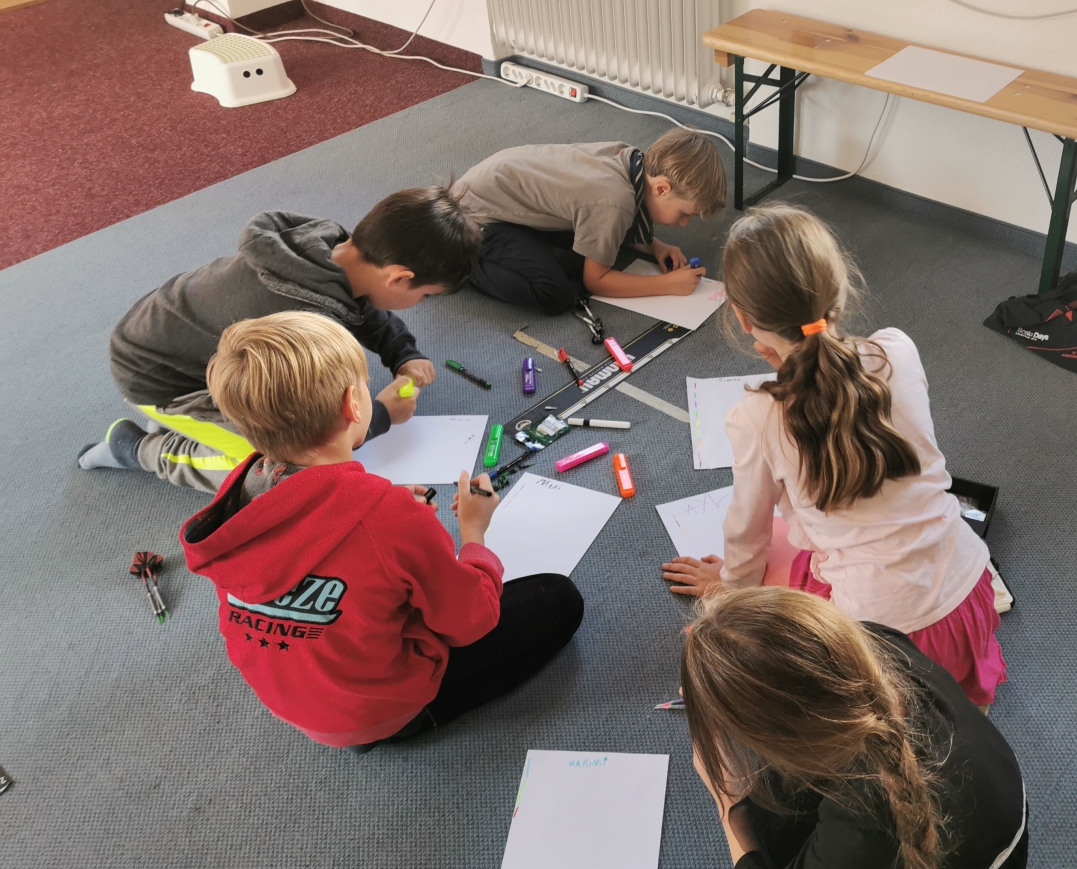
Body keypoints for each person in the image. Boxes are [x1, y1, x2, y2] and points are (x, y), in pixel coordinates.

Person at [181, 312, 584, 749]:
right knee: (560, 600)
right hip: (377, 712)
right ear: (353, 405)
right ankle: (416, 719)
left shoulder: (239, 493)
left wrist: (378, 511)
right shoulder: (391, 517)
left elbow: (305, 527)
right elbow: (469, 621)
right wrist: (473, 531)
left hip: (298, 705)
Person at [662, 204, 1005, 708]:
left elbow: (747, 534)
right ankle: (969, 706)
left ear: (743, 318)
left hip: (883, 638)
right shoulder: (896, 350)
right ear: (838, 287)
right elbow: (848, 403)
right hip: (969, 590)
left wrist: (728, 587)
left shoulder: (757, 416)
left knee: (777, 554)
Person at [79, 186, 475, 493]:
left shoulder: (327, 250)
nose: (420, 303)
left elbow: (357, 306)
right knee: (273, 471)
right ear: (400, 278)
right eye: (426, 296)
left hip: (160, 337)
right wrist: (383, 415)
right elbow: (312, 427)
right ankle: (137, 449)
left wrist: (401, 351)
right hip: (162, 381)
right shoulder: (302, 323)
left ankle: (186, 424)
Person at [684, 588, 1027, 869]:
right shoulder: (873, 640)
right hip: (979, 803)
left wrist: (728, 804)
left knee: (763, 818)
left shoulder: (866, 808)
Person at [454, 127, 726, 315]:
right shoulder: (615, 201)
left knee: (596, 245)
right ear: (662, 189)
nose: (685, 223)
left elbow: (615, 218)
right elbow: (596, 281)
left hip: (495, 189)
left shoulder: (629, 158)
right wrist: (667, 286)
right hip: (475, 216)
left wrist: (656, 246)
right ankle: (458, 261)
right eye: (686, 213)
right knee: (557, 294)